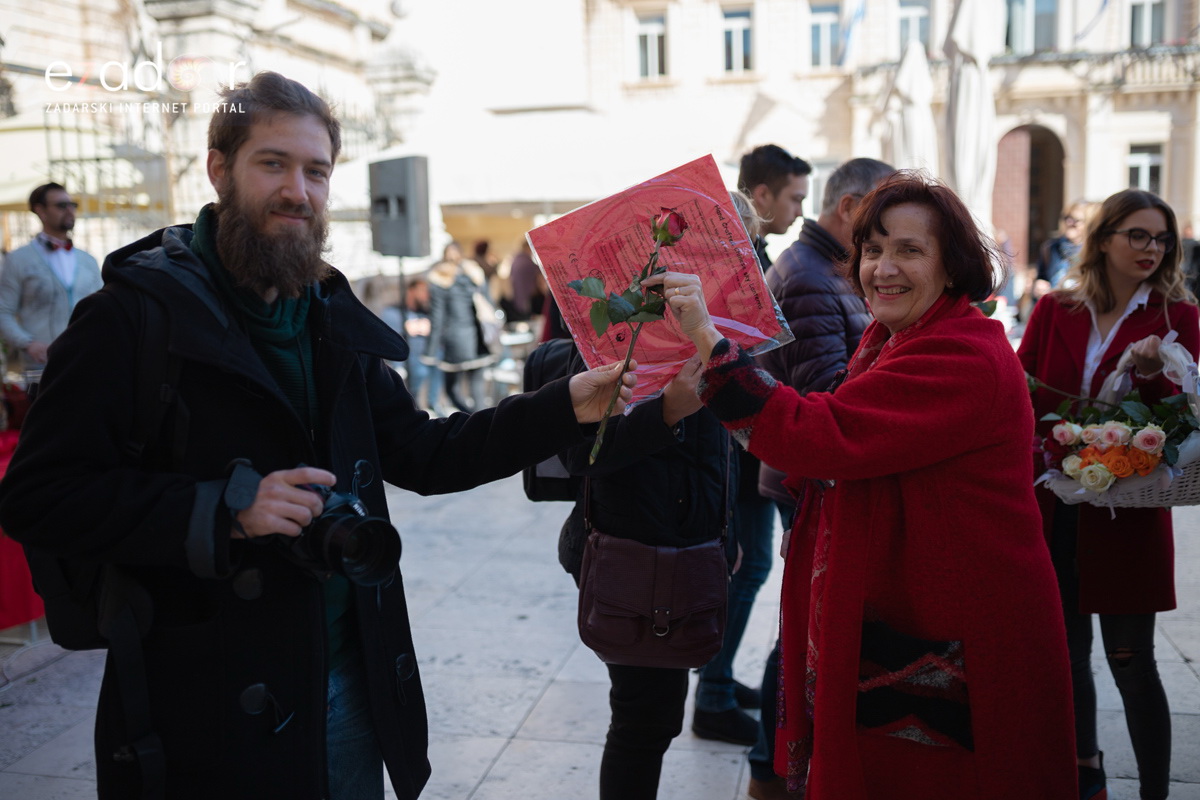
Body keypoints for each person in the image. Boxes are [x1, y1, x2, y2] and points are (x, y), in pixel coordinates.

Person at [0, 71, 634, 800]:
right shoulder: (129, 318)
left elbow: (425, 454)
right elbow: (38, 496)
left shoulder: (329, 316)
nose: (297, 191)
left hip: (348, 682)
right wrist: (224, 508)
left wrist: (562, 406)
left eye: (316, 171)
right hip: (206, 707)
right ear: (218, 169)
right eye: (272, 163)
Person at [646, 173, 1077, 798]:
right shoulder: (896, 339)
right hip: (916, 611)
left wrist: (708, 340)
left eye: (909, 250)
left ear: (952, 266)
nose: (883, 268)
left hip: (957, 626)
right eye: (872, 249)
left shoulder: (962, 355)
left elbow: (820, 434)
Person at [1018, 188, 1198, 800]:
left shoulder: (1178, 316)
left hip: (1129, 509)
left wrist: (1150, 377)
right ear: (1104, 239)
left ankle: (1154, 792)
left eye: (1162, 239)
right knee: (1066, 656)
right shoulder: (1056, 309)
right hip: (1053, 502)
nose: (1153, 249)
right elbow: (1024, 391)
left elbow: (1185, 416)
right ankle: (1085, 773)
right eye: (1138, 235)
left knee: (1131, 659)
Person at [746, 156, 893, 800]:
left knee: (805, 623)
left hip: (813, 470)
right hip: (808, 474)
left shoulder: (829, 268)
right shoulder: (808, 275)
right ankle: (770, 767)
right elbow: (822, 393)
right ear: (852, 207)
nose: (887, 244)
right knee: (802, 626)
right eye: (881, 220)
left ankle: (774, 764)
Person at [557, 345, 731, 800]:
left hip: (688, 549)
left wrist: (726, 528)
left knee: (654, 717)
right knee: (643, 721)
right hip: (632, 558)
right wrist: (666, 412)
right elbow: (579, 454)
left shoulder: (708, 331)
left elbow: (713, 448)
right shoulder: (616, 330)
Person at [688, 149, 814, 747]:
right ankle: (712, 694)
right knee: (748, 564)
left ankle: (718, 682)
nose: (799, 211)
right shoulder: (741, 265)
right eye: (794, 198)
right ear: (760, 197)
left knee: (750, 563)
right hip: (736, 443)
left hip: (746, 441)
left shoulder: (759, 260)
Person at [0, 182, 102, 375]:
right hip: (41, 366)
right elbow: (3, 311)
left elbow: (102, 309)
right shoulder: (18, 259)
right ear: (41, 211)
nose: (70, 210)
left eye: (73, 205)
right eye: (61, 205)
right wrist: (27, 343)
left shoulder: (88, 260)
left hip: (86, 360)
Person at [425, 241, 497, 412]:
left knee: (452, 389)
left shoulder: (439, 280)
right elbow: (489, 303)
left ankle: (470, 420)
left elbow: (437, 318)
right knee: (477, 390)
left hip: (454, 341)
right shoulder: (474, 276)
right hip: (478, 338)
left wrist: (430, 351)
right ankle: (482, 422)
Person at [736, 144, 812, 268]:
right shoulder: (740, 261)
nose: (800, 213)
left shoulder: (751, 252)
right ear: (763, 195)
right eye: (796, 199)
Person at [1035, 201, 1093, 296]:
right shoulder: (1051, 248)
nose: (1069, 223)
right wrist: (1039, 287)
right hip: (1054, 302)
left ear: (1088, 224)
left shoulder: (1093, 251)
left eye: (1075, 220)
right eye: (1067, 218)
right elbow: (1041, 278)